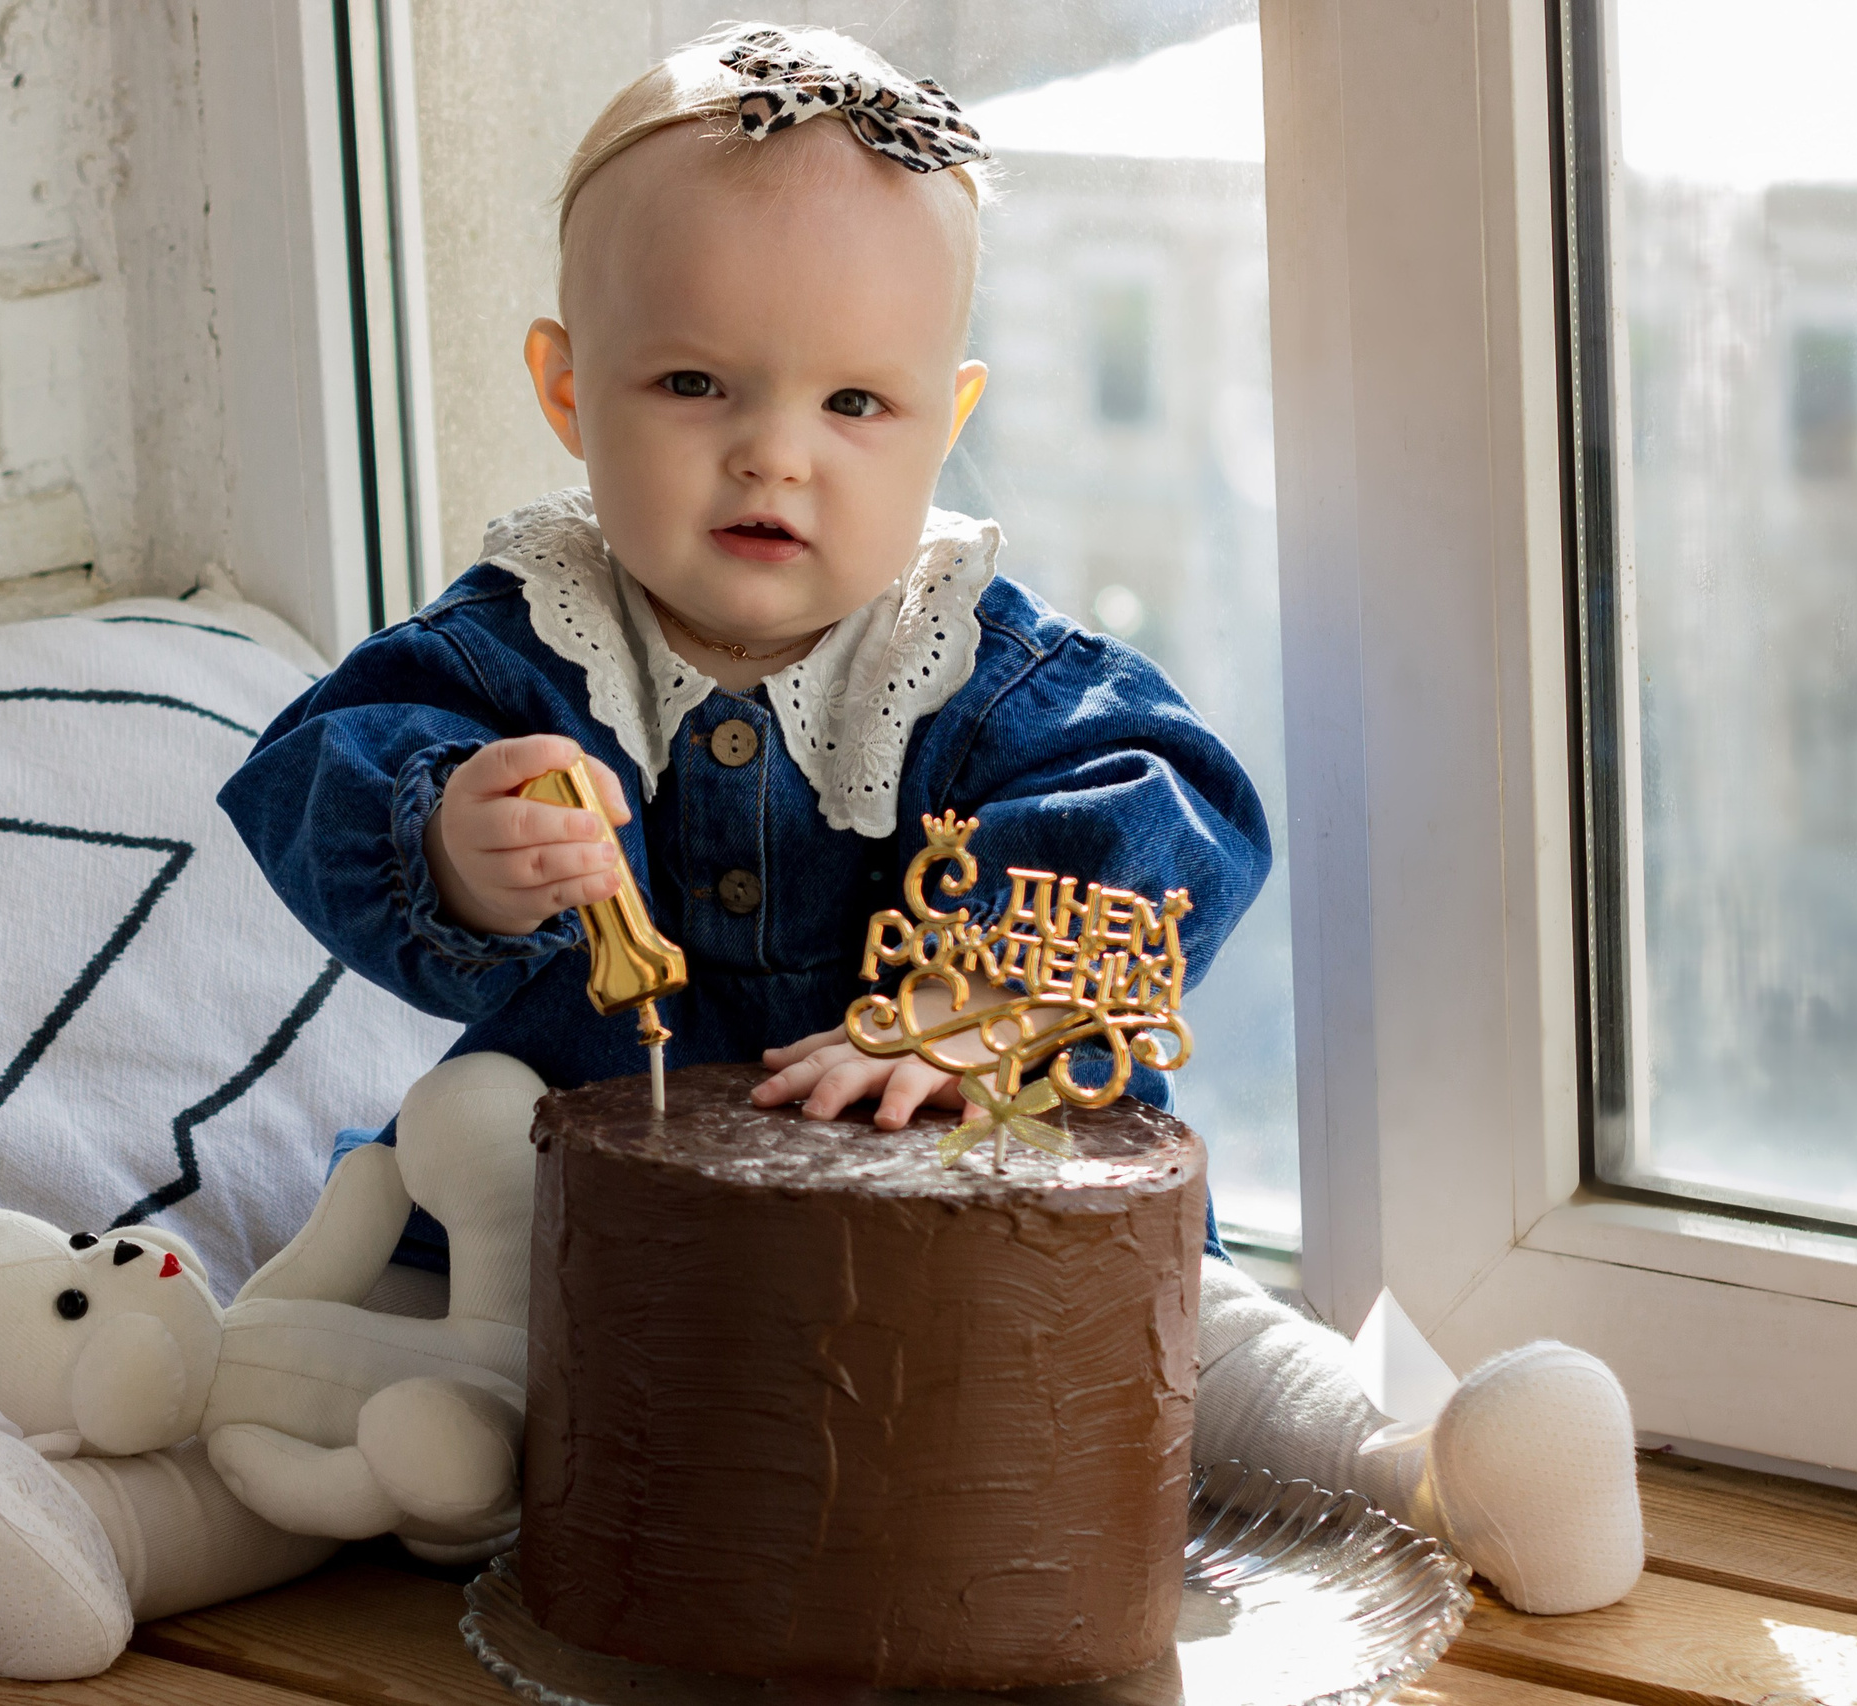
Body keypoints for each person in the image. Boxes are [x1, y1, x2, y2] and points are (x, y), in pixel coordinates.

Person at [224, 22, 1643, 1621]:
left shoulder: (967, 664)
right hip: (577, 1261)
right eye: (694, 381)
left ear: (943, 412)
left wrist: (985, 994)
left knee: (1184, 1341)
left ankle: (1445, 1470)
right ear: (566, 385)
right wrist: (444, 840)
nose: (775, 450)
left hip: (970, 1245)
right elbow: (312, 765)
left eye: (856, 401)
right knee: (370, 1378)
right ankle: (145, 1524)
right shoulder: (520, 645)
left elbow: (1176, 797)